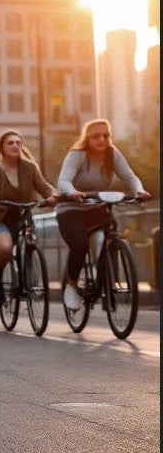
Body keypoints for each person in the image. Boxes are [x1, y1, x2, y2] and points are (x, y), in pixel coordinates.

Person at [56, 118, 151, 311]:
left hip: (98, 207)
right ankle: (72, 286)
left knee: (107, 240)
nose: (102, 139)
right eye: (96, 136)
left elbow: (129, 176)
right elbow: (63, 180)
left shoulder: (112, 154)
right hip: (72, 209)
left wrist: (139, 191)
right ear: (87, 138)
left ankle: (106, 285)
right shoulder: (77, 155)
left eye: (106, 135)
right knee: (80, 244)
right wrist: (72, 191)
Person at [0, 130, 58, 304]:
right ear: (2, 147)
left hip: (23, 217)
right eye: (10, 143)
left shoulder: (29, 167)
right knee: (6, 247)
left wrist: (52, 196)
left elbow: (44, 186)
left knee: (30, 243)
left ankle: (26, 280)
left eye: (18, 142)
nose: (15, 145)